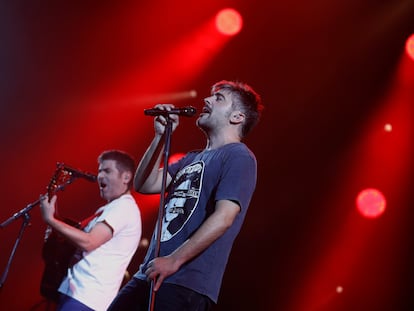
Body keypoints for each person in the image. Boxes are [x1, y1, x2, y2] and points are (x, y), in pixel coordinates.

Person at [108, 80, 263, 311]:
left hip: (186, 283)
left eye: (218, 99)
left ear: (237, 117)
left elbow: (224, 217)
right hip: (149, 274)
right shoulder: (191, 159)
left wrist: (174, 260)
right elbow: (144, 183)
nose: (206, 100)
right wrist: (160, 137)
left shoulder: (239, 156)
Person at [40, 150, 142, 311]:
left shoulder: (124, 207)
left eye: (107, 171)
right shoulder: (109, 208)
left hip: (87, 298)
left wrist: (51, 220)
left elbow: (89, 242)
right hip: (76, 293)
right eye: (99, 170)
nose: (100, 175)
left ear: (126, 177)